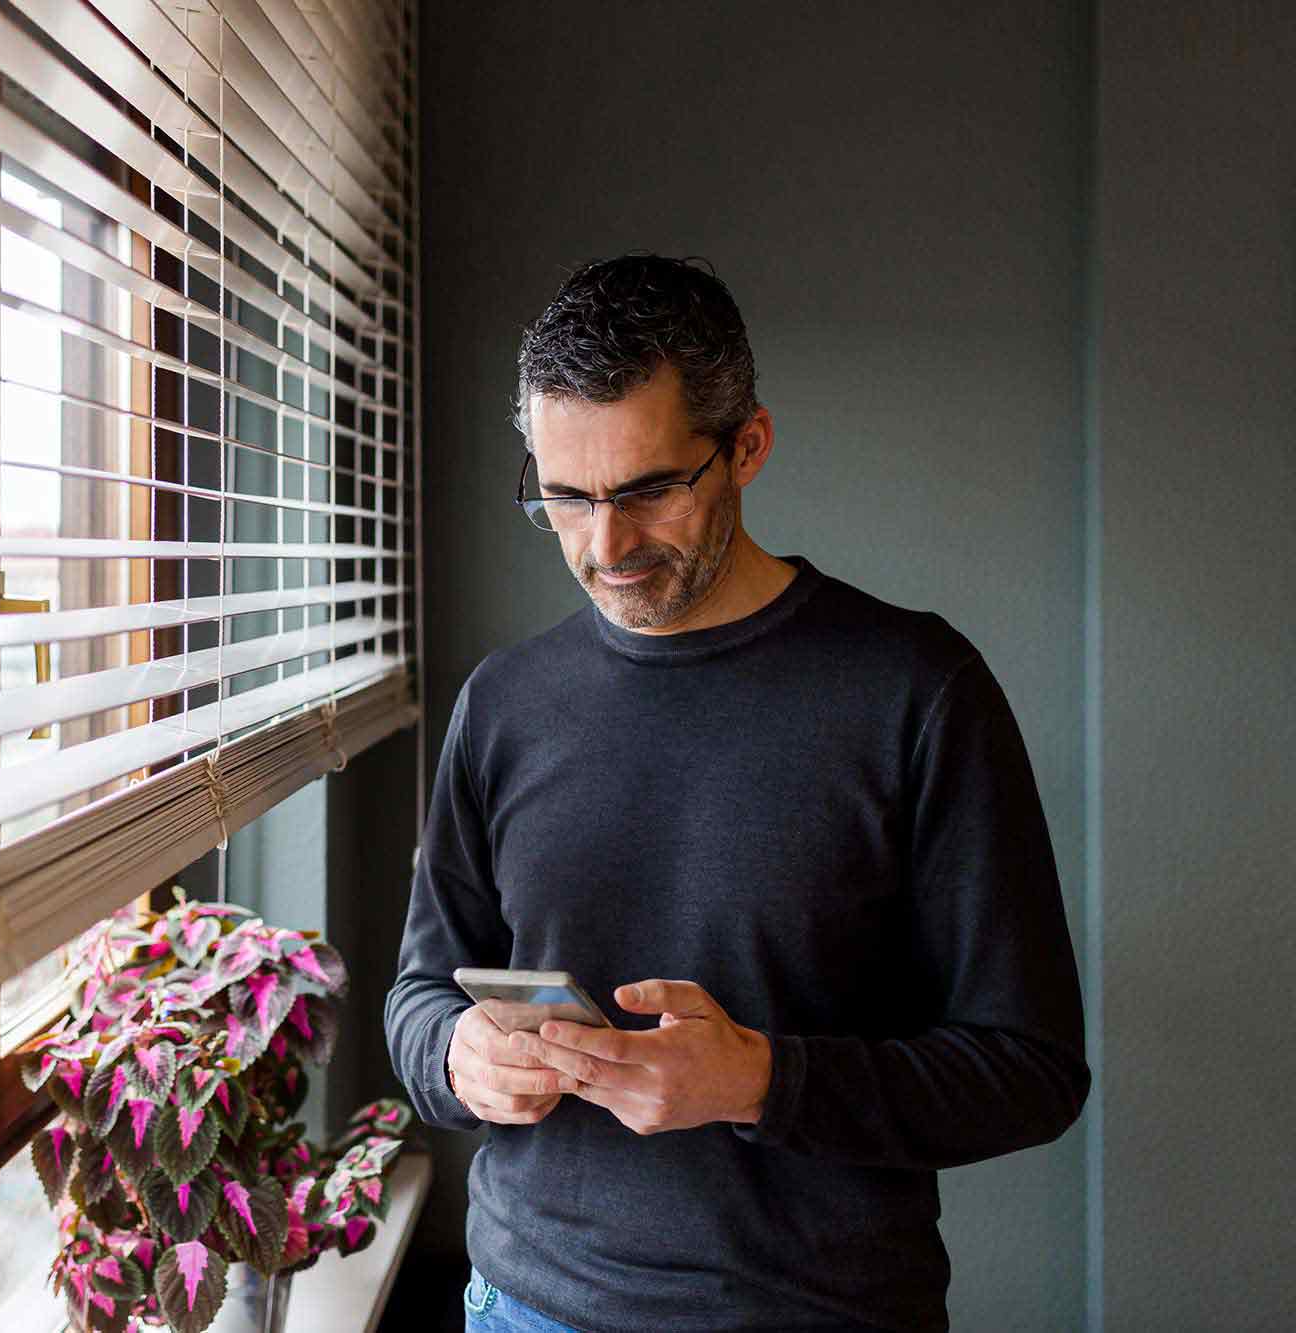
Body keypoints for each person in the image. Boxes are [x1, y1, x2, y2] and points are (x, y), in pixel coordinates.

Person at [382, 254, 1089, 1332]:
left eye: (647, 491)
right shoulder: (503, 704)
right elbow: (418, 993)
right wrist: (455, 1055)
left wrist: (760, 1080)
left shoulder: (915, 690)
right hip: (523, 1304)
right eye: (563, 497)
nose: (603, 545)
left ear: (745, 446)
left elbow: (1029, 1070)